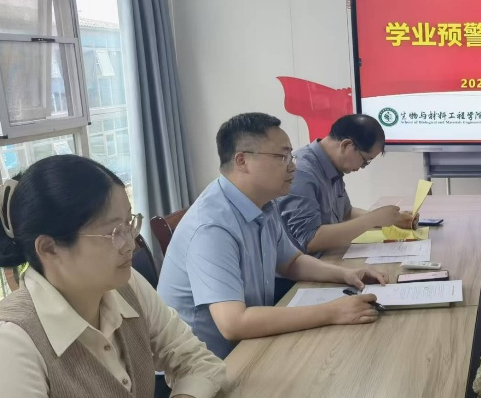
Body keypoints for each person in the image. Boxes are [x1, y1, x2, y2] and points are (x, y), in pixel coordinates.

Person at [0, 155, 274, 398]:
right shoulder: (3, 346)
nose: (130, 243)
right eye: (113, 232)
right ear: (49, 248)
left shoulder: (125, 286)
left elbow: (200, 363)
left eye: (129, 223)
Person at [159, 113, 386, 359]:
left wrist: (346, 274)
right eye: (282, 157)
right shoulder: (212, 227)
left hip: (249, 344)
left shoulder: (263, 204)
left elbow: (291, 262)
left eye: (291, 156)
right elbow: (234, 323)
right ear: (242, 161)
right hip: (204, 364)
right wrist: (333, 312)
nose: (293, 166)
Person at [279, 114, 417, 253]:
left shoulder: (333, 166)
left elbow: (347, 213)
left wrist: (390, 220)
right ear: (346, 145)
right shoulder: (302, 172)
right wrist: (373, 219)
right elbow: (309, 239)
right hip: (307, 263)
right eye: (364, 161)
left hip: (329, 256)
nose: (362, 167)